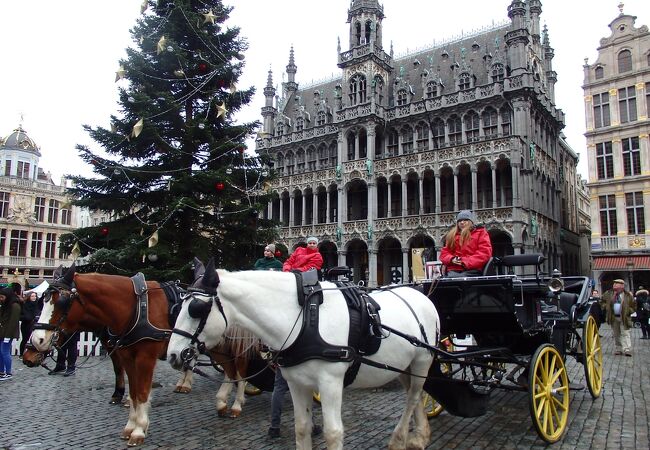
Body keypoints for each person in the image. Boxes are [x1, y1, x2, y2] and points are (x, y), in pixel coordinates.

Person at [268, 236, 323, 439]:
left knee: (280, 388)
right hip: (297, 355)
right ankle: (310, 425)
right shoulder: (298, 252)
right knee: (302, 387)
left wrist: (292, 272)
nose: (310, 245)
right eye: (308, 242)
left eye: (313, 243)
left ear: (316, 246)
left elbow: (309, 270)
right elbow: (289, 263)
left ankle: (275, 427)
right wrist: (288, 271)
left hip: (283, 351)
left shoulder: (317, 257)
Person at [440, 210, 492, 277]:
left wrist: (465, 262)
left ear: (471, 222)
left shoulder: (481, 233)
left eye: (465, 220)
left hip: (473, 269)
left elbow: (484, 253)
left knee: (458, 279)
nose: (462, 222)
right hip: (454, 269)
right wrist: (451, 259)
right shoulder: (452, 235)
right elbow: (445, 253)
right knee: (448, 281)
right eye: (459, 221)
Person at [600, 279, 636, 356]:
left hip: (624, 317)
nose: (614, 285)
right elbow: (601, 301)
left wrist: (628, 311)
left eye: (617, 283)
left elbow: (634, 306)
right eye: (614, 283)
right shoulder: (608, 293)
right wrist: (606, 307)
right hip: (613, 317)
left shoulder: (627, 295)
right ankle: (618, 349)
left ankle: (627, 349)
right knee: (616, 334)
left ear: (622, 286)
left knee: (625, 333)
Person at [0, 287, 21, 380]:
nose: (1, 299)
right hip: (2, 332)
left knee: (5, 352)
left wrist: (8, 336)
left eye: (2, 297)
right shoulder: (5, 305)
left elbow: (13, 322)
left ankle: (8, 372)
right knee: (1, 352)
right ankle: (1, 371)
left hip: (8, 333)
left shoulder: (15, 306)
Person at [19, 291, 40, 356]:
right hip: (26, 324)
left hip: (36, 325)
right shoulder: (24, 305)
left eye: (35, 296)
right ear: (29, 297)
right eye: (32, 296)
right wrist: (26, 317)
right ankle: (22, 354)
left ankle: (33, 354)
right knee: (25, 339)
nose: (34, 297)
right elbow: (19, 316)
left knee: (35, 340)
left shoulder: (38, 305)